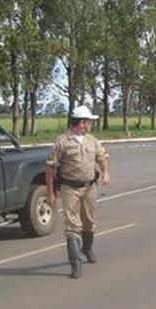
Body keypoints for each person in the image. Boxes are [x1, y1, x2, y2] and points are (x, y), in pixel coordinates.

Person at [45, 105, 111, 279]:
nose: (90, 124)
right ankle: (76, 264)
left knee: (89, 223)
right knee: (72, 226)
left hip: (89, 187)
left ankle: (87, 248)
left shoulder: (92, 141)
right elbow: (50, 169)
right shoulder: (62, 142)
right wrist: (50, 193)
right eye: (89, 121)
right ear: (82, 123)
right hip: (69, 189)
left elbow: (101, 157)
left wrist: (105, 172)